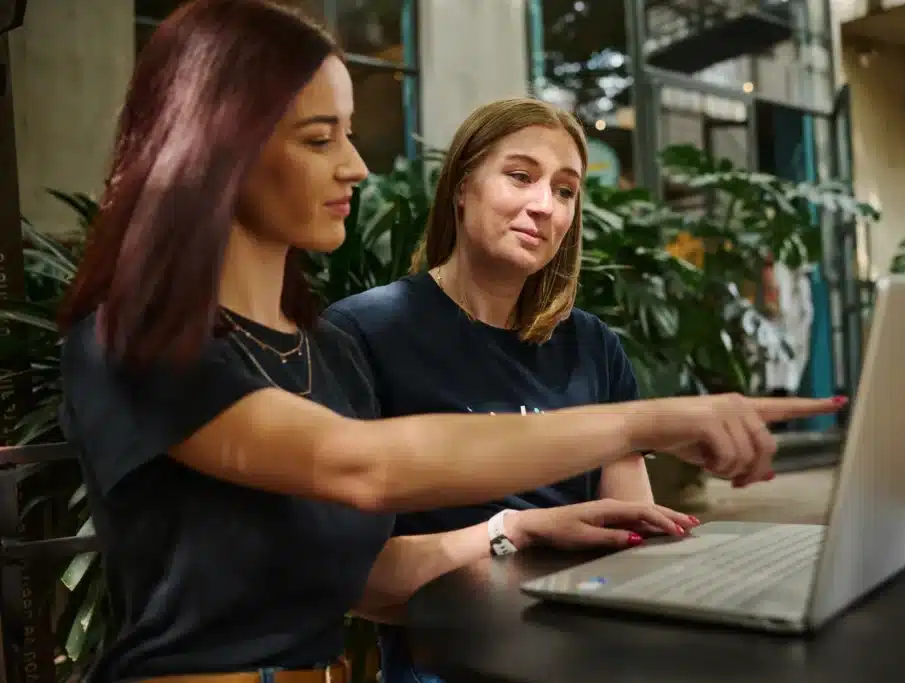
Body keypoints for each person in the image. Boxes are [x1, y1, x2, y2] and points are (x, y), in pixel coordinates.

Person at [56, 2, 844, 681]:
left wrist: (511, 529)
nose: (358, 165)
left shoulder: (320, 351)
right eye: (320, 137)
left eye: (350, 134)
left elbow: (362, 579)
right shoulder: (133, 339)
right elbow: (363, 467)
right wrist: (647, 419)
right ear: (220, 146)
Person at [322, 97, 811, 683]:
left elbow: (631, 535)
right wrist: (510, 532)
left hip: (595, 657)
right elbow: (352, 583)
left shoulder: (592, 345)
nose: (544, 206)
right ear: (461, 186)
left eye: (565, 190)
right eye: (521, 176)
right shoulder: (362, 333)